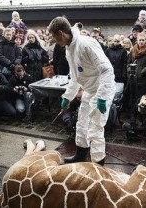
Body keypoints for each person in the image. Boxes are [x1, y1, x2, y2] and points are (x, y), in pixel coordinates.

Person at [48, 16, 116, 166]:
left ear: (60, 33)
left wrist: (103, 97)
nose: (54, 40)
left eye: (54, 36)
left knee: (95, 128)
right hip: (89, 90)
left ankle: (98, 165)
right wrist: (68, 96)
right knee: (82, 123)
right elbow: (74, 76)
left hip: (101, 90)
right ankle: (80, 155)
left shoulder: (86, 44)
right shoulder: (69, 49)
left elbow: (107, 70)